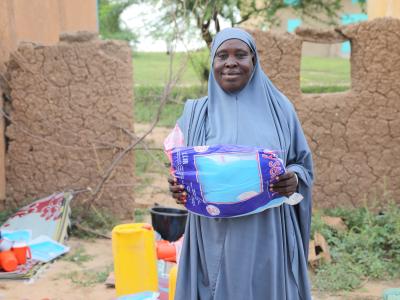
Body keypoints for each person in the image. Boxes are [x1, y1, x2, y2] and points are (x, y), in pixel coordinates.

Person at [168, 28, 313, 300]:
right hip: (210, 236)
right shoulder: (196, 114)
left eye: (240, 55)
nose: (231, 62)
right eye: (222, 55)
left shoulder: (280, 110)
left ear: (254, 61)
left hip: (265, 234)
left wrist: (294, 178)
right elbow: (181, 172)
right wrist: (177, 188)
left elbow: (302, 165)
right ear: (213, 63)